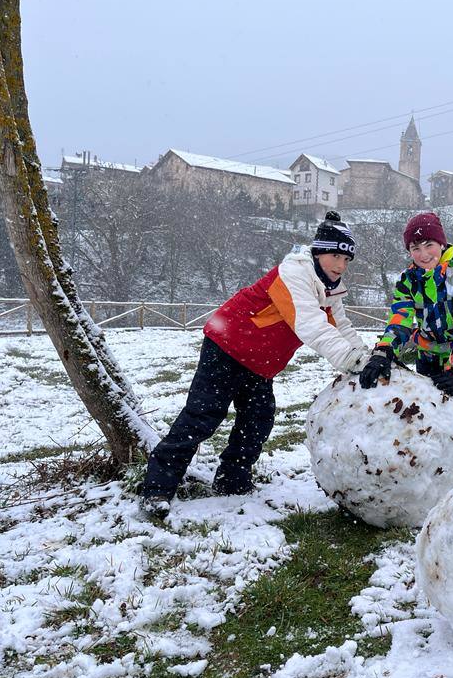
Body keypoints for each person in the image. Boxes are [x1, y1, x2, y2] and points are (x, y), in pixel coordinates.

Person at [140, 213, 369, 517]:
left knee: (258, 419)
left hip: (259, 362)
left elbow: (339, 325)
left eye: (346, 260)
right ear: (317, 252)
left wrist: (367, 356)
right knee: (203, 416)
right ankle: (157, 487)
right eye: (335, 255)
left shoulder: (331, 289)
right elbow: (311, 325)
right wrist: (353, 360)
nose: (340, 265)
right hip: (227, 345)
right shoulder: (294, 275)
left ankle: (232, 480)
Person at [359, 211, 453, 470]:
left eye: (429, 245)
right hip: (429, 357)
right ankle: (437, 471)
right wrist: (383, 351)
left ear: (442, 244)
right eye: (415, 247)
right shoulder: (409, 280)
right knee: (431, 413)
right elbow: (401, 318)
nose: (423, 254)